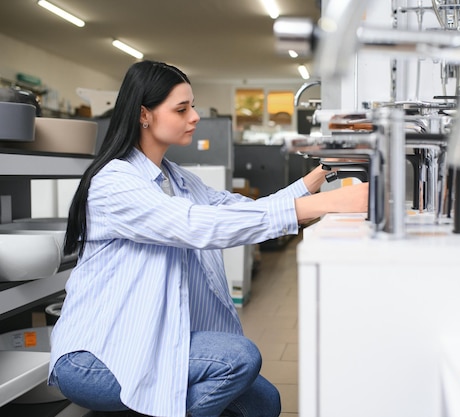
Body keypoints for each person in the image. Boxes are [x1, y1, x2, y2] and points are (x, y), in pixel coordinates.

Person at [47, 60, 368, 417]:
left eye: (193, 106)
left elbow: (240, 210)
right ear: (144, 115)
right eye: (182, 109)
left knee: (264, 403)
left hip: (155, 340)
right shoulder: (114, 183)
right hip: (99, 355)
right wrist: (328, 204)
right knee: (239, 359)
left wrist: (321, 176)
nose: (195, 116)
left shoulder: (177, 179)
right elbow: (195, 225)